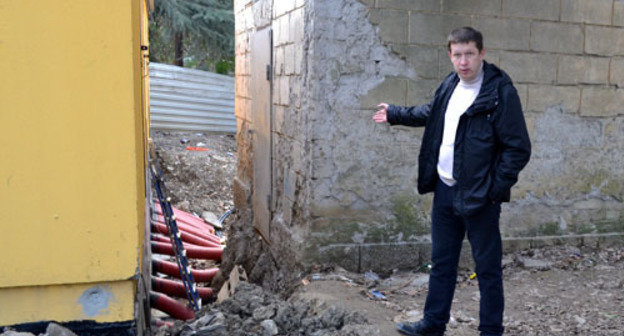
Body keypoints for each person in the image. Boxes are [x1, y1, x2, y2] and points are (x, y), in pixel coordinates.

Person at [373, 27, 531, 336]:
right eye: (457, 55)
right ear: (450, 56)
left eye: (469, 53)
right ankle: (433, 324)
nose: (463, 62)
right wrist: (396, 113)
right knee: (441, 263)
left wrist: (494, 189)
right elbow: (432, 113)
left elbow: (518, 148)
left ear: (482, 54)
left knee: (487, 269)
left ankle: (491, 331)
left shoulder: (500, 92)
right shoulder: (450, 85)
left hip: (480, 197)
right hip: (445, 191)